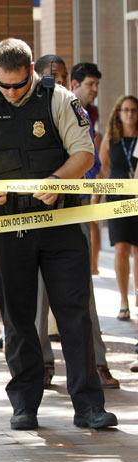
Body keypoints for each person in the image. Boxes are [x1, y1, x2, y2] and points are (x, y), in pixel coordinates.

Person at [0, 38, 116, 430]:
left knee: (74, 316)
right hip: (9, 229)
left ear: (31, 73)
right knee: (18, 318)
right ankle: (24, 404)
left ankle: (89, 406)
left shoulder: (58, 98)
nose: (12, 92)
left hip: (59, 226)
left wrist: (58, 180)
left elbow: (84, 151)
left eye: (19, 84)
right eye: (4, 85)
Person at [34, 55, 118, 389]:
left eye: (62, 75)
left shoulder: (76, 111)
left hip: (73, 210)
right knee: (37, 295)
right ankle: (41, 364)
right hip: (34, 214)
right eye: (49, 75)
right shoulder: (22, 113)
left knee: (82, 292)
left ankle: (96, 363)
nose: (55, 81)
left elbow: (91, 161)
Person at [100, 95, 138, 321]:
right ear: (118, 113)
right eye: (125, 110)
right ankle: (123, 300)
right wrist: (96, 197)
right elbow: (102, 168)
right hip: (116, 198)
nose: (130, 114)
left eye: (134, 110)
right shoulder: (111, 139)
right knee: (121, 248)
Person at [71, 63, 103, 275]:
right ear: (75, 84)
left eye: (97, 84)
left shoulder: (88, 114)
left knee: (83, 262)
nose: (95, 89)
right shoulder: (67, 112)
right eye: (90, 84)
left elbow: (93, 160)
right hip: (66, 197)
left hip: (81, 195)